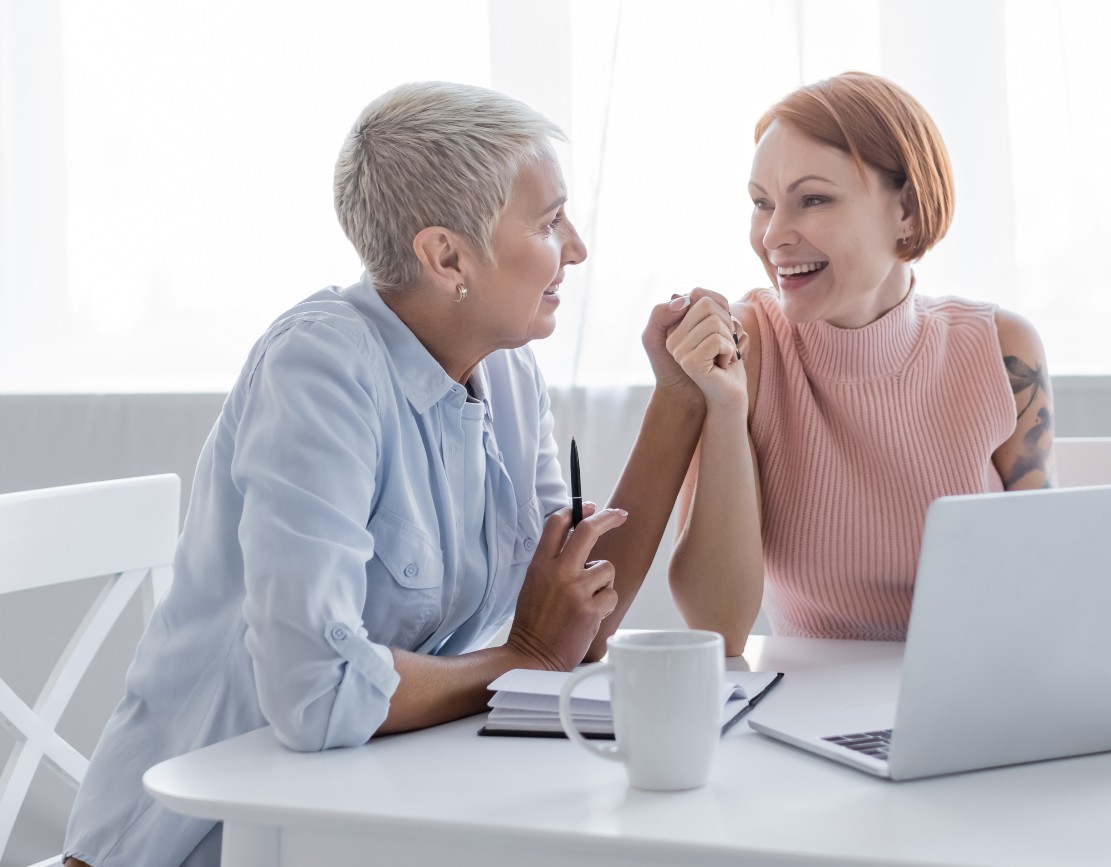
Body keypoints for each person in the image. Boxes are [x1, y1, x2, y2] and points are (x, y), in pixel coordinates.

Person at [63, 81, 735, 867]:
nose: (577, 248)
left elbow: (576, 620)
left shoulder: (509, 374)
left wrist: (679, 402)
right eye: (550, 222)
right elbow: (315, 693)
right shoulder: (318, 369)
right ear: (446, 254)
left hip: (357, 817)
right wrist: (522, 657)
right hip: (204, 840)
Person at [666, 72, 1056, 655]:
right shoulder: (746, 348)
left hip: (976, 685)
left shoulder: (1000, 349)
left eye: (813, 199)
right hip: (806, 708)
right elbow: (716, 630)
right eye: (761, 204)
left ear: (907, 210)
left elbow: (1044, 580)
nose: (773, 235)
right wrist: (724, 408)